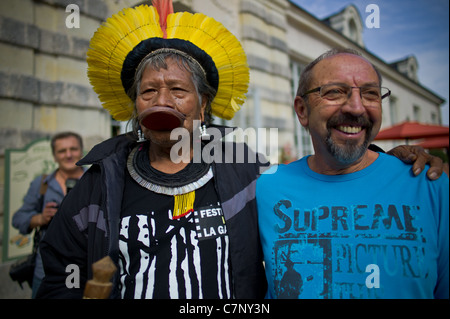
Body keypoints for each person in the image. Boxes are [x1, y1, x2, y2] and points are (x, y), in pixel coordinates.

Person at [37, 3, 442, 299]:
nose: (163, 101)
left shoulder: (249, 173)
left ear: (203, 105)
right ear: (135, 107)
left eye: (178, 90)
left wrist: (387, 159)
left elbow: (334, 170)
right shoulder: (98, 184)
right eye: (148, 92)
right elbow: (54, 273)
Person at [257, 48, 449, 299]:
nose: (357, 108)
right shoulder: (265, 188)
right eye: (335, 92)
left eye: (370, 93)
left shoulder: (429, 183)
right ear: (302, 110)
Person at [12, 131, 85, 298]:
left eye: (73, 149)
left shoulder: (95, 180)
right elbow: (18, 218)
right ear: (54, 156)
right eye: (62, 151)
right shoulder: (42, 184)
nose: (68, 155)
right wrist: (40, 218)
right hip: (46, 269)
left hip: (85, 267)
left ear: (81, 151)